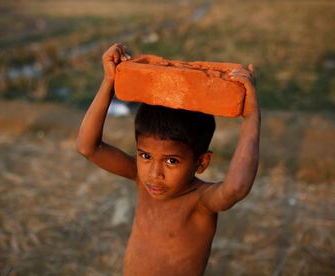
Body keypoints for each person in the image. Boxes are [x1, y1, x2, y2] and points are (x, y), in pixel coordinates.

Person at [76, 43, 260, 275]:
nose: (154, 173)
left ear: (201, 162)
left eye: (171, 161)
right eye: (145, 155)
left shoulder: (200, 202)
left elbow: (235, 188)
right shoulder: (140, 178)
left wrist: (251, 116)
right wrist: (108, 82)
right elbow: (87, 147)